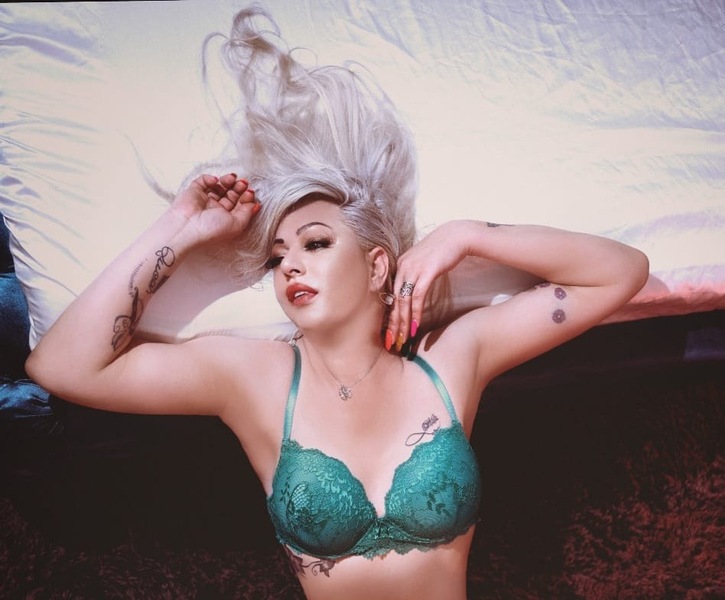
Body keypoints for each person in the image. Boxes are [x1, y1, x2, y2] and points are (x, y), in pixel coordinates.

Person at [25, 7, 649, 600]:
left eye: (316, 243)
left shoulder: (451, 359)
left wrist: (466, 235)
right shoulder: (255, 379)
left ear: (377, 265)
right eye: (276, 258)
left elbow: (619, 274)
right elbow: (63, 367)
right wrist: (181, 229)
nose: (290, 265)